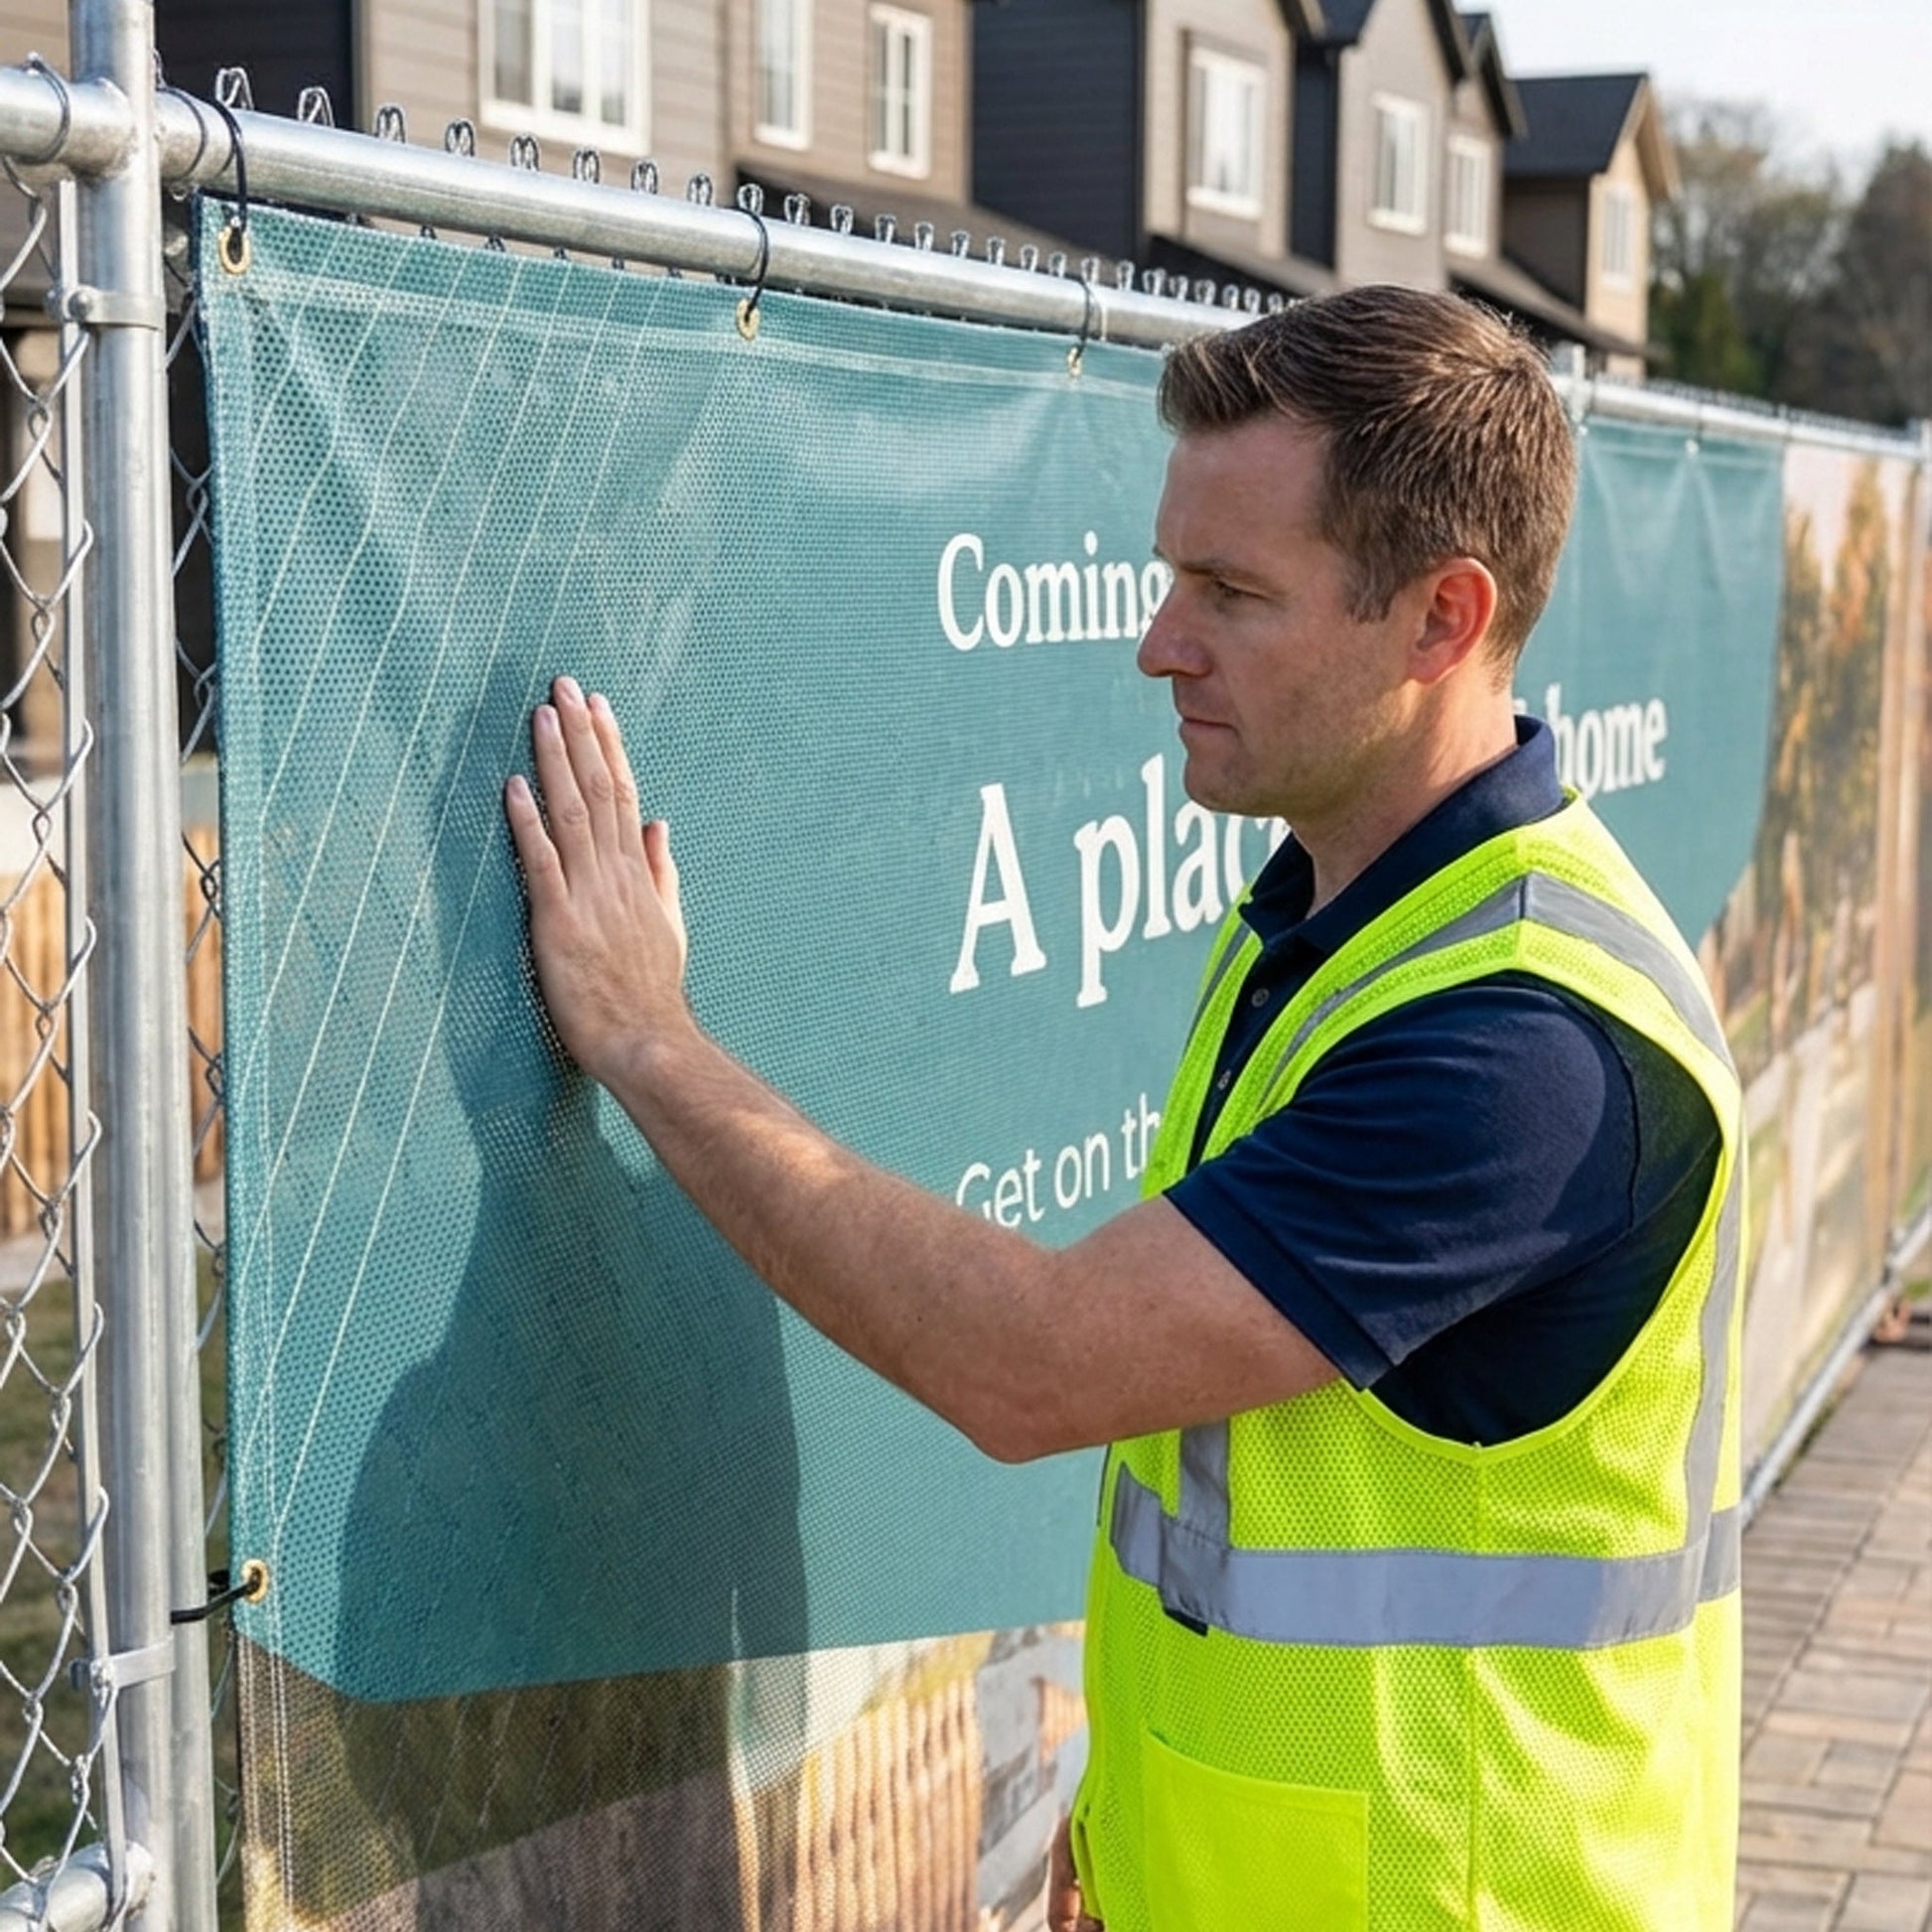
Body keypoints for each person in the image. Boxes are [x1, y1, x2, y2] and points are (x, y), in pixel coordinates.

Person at [502, 286, 1742, 1932]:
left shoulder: (1530, 1056)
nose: (1161, 640)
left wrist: (649, 1039)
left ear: (1442, 619)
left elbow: (1034, 1361)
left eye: (1229, 592)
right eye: (1171, 577)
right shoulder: (1335, 912)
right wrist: (1140, 1832)